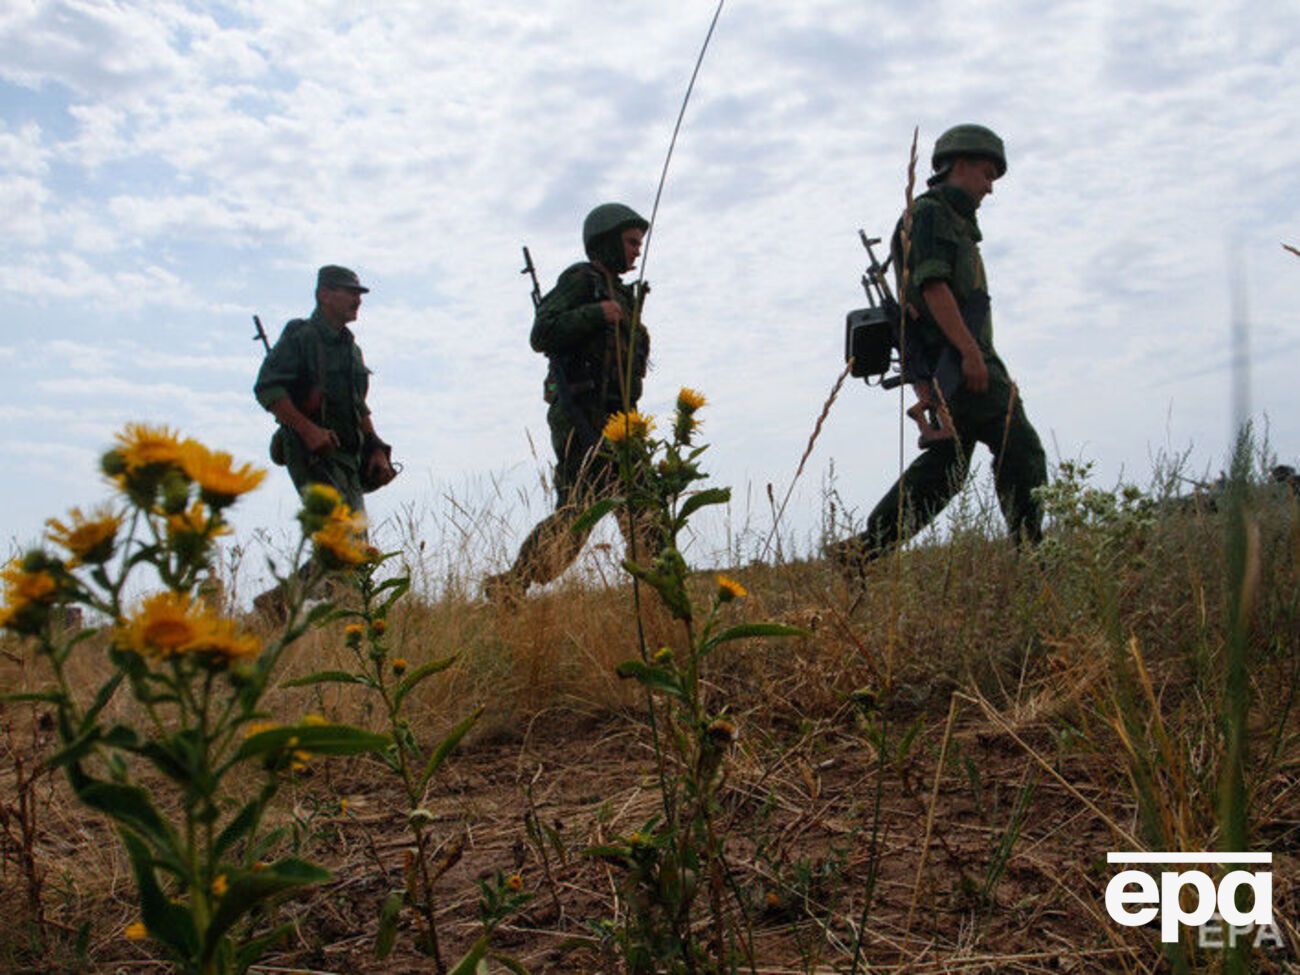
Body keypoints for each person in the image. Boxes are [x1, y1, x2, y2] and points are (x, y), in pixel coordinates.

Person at [829, 125, 1047, 574]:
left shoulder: (952, 223)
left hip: (956, 364)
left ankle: (862, 552)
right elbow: (932, 287)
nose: (990, 187)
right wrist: (969, 354)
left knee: (945, 468)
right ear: (959, 165)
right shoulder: (931, 215)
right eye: (987, 175)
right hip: (964, 363)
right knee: (1021, 448)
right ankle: (1035, 558)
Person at [484, 203, 653, 602]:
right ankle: (513, 582)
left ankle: (658, 593)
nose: (636, 251)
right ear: (607, 241)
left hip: (620, 419)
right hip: (581, 415)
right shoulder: (582, 281)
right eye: (630, 242)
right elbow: (542, 332)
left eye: (639, 244)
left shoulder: (624, 296)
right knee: (579, 512)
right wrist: (596, 313)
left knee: (646, 507)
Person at [254, 264, 395, 514]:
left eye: (359, 294)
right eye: (350, 293)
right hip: (311, 455)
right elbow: (268, 389)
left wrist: (375, 448)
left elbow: (359, 406)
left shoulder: (351, 349)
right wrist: (309, 431)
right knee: (337, 539)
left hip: (349, 460)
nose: (358, 300)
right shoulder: (301, 336)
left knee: (354, 544)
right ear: (324, 295)